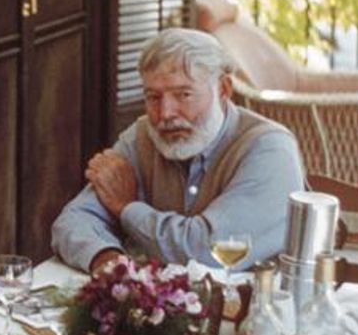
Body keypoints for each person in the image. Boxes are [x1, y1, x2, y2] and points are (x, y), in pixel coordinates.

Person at [51, 29, 304, 275]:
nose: (166, 114)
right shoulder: (142, 137)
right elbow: (73, 221)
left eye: (184, 94)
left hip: (258, 308)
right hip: (166, 311)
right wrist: (107, 260)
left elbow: (207, 251)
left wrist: (127, 208)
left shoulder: (269, 149)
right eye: (153, 97)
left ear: (223, 90)